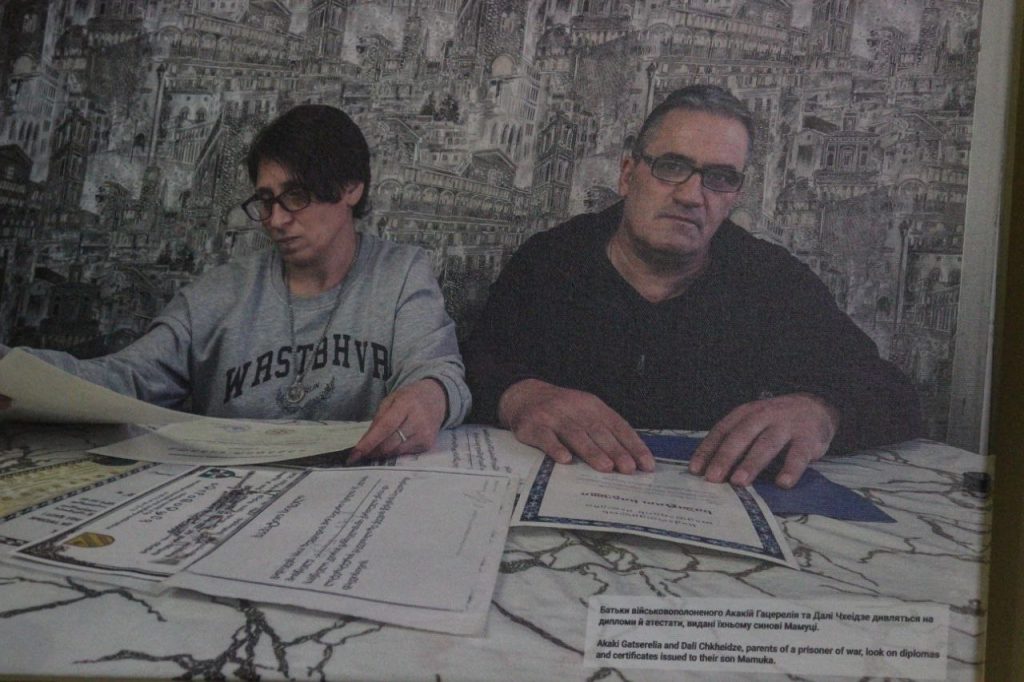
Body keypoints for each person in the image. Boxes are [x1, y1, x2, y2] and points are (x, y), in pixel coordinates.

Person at [464, 84, 922, 488]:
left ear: (735, 196)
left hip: (711, 504)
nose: (690, 195)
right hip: (565, 492)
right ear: (627, 174)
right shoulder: (551, 261)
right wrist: (519, 396)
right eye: (671, 166)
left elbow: (892, 393)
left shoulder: (769, 280)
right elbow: (473, 362)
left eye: (719, 179)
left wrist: (822, 413)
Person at [0, 104, 470, 461]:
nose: (276, 220)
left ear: (351, 187)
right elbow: (126, 379)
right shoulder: (219, 293)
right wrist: (16, 371)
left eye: (296, 196)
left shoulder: (402, 273)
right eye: (265, 201)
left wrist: (430, 395)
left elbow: (438, 371)